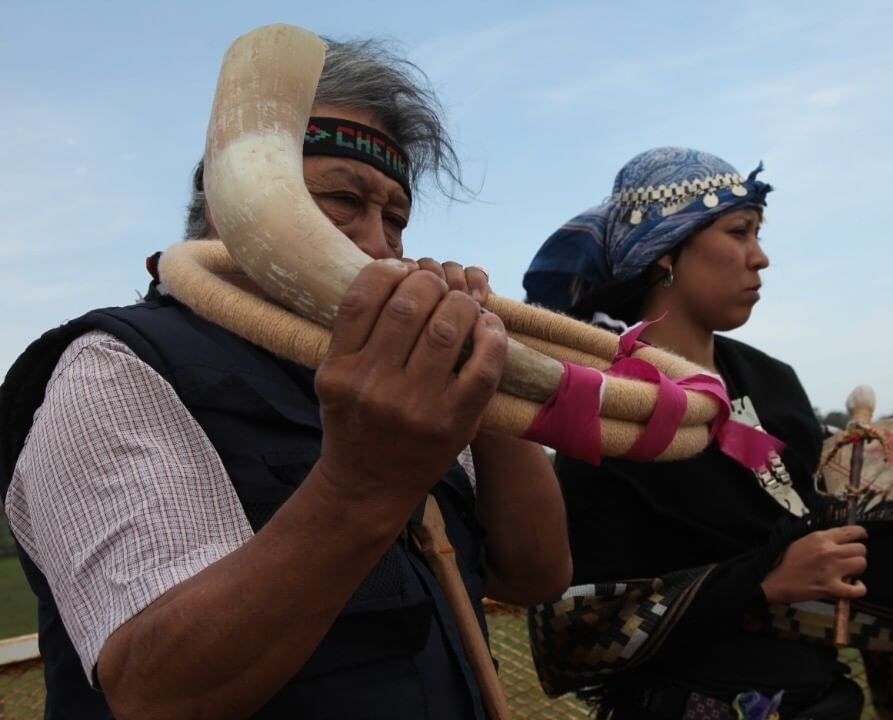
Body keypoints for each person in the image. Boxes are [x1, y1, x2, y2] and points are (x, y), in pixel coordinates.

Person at [0, 38, 571, 719]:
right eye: (341, 199)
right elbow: (156, 691)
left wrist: (482, 372)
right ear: (231, 208)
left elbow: (534, 573)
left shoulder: (391, 374)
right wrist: (366, 485)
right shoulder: (116, 365)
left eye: (395, 218)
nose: (378, 244)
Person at [523, 147, 893, 719]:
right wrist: (763, 581)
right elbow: (570, 635)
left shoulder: (772, 381)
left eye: (759, 234)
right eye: (739, 232)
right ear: (667, 254)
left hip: (823, 699)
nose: (760, 257)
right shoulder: (614, 407)